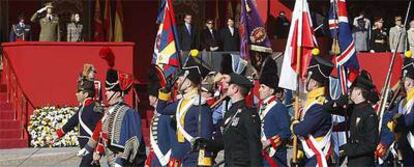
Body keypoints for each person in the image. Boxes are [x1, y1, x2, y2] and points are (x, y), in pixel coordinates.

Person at [80, 47, 147, 167]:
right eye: (106, 90)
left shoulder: (128, 112)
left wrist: (121, 161)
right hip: (111, 161)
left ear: (118, 93)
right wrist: (90, 148)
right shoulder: (108, 111)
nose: (106, 93)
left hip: (125, 162)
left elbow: (132, 140)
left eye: (109, 91)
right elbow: (101, 132)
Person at [194, 73, 263, 166]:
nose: (226, 87)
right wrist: (207, 144)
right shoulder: (230, 111)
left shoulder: (248, 114)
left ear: (235, 89)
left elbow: (255, 146)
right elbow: (226, 140)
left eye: (229, 84)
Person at [156, 56, 214, 166]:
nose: (177, 81)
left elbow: (205, 138)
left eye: (181, 79)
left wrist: (204, 162)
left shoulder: (200, 106)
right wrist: (166, 90)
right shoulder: (182, 103)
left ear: (188, 83)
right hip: (178, 158)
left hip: (193, 159)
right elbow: (161, 109)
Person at [291, 50, 334, 167]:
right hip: (310, 156)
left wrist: (294, 124)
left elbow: (302, 129)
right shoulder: (311, 102)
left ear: (315, 84)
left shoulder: (319, 106)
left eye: (308, 78)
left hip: (318, 156)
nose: (305, 80)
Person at [327, 70, 379, 166]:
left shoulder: (369, 114)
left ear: (359, 92)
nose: (350, 92)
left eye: (353, 89)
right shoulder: (353, 109)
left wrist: (349, 149)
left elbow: (371, 144)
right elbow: (328, 109)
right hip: (353, 161)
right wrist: (337, 102)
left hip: (363, 162)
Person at [54, 78, 103, 167]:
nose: (76, 94)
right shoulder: (82, 108)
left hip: (91, 149)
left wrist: (98, 150)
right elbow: (72, 122)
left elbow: (101, 128)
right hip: (86, 150)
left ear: (86, 94)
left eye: (79, 91)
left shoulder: (95, 107)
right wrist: (59, 134)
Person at [258, 59, 291, 166]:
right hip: (260, 155)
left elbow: (286, 132)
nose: (259, 90)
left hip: (274, 156)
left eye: (263, 87)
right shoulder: (261, 106)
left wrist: (268, 142)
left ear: (271, 91)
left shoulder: (279, 107)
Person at [144, 65, 175, 167]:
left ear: (155, 96)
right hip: (155, 158)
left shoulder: (165, 114)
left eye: (151, 95)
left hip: (164, 158)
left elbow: (171, 137)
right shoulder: (156, 114)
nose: (149, 97)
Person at [387, 51, 414, 166]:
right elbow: (390, 116)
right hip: (403, 144)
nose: (404, 84)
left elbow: (409, 120)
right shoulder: (402, 101)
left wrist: (396, 123)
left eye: (407, 81)